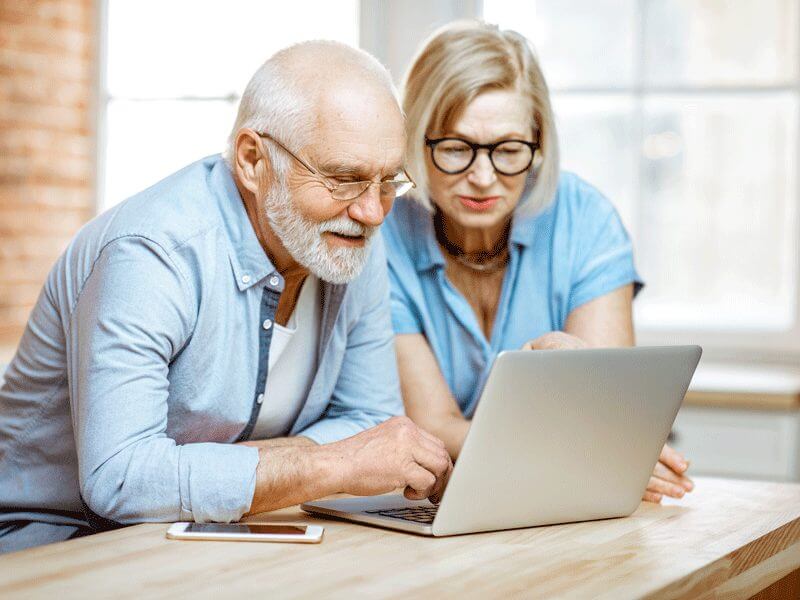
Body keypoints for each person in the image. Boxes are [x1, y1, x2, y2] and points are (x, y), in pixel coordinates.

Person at [0, 41, 451, 554]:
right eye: (343, 179)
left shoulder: (348, 240)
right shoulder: (152, 252)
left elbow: (369, 420)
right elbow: (121, 477)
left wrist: (214, 471)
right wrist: (332, 463)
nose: (373, 211)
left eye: (387, 180)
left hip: (211, 537)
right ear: (253, 160)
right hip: (53, 543)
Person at [382, 21, 692, 504]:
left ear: (539, 146)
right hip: (453, 496)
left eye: (508, 150)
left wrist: (602, 436)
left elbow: (607, 413)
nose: (483, 176)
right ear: (415, 140)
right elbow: (433, 429)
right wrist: (581, 446)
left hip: (570, 496)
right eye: (456, 148)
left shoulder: (585, 218)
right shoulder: (386, 239)